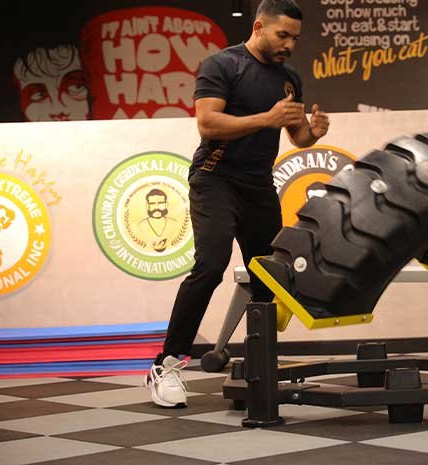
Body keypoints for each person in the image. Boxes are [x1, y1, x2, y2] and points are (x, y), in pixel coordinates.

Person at [145, 0, 330, 408]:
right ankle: (167, 363)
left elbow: (297, 135)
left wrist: (313, 132)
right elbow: (208, 123)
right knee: (211, 265)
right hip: (215, 178)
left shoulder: (289, 78)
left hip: (258, 186)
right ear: (259, 27)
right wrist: (266, 119)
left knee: (268, 278)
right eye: (283, 35)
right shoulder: (222, 65)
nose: (290, 45)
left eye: (295, 38)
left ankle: (259, 367)